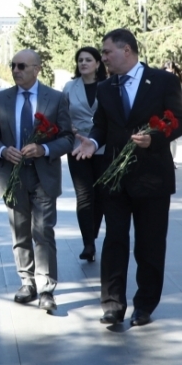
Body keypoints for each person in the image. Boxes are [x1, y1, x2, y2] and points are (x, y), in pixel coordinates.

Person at [73, 28, 182, 326]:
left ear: (127, 51)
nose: (103, 58)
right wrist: (93, 143)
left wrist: (157, 138)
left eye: (107, 52)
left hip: (152, 179)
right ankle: (112, 304)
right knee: (115, 240)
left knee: (149, 244)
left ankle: (145, 305)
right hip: (115, 178)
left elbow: (179, 119)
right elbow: (101, 125)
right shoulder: (107, 87)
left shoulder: (163, 81)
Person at [0, 49, 73, 313]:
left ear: (37, 68)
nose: (16, 70)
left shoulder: (56, 99)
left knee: (43, 231)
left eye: (22, 66)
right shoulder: (0, 99)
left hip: (43, 173)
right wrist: (2, 150)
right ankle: (27, 281)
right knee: (20, 231)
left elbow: (68, 138)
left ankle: (46, 288)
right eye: (13, 65)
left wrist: (43, 149)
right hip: (12, 176)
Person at [62, 47, 108, 262]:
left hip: (104, 147)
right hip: (78, 147)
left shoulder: (108, 86)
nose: (83, 63)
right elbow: (60, 114)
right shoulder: (70, 87)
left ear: (98, 64)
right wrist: (67, 127)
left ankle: (92, 233)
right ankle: (88, 243)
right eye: (80, 60)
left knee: (100, 194)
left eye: (88, 59)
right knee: (84, 195)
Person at [163, 60, 182, 166]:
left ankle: (172, 159)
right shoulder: (159, 82)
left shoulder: (177, 83)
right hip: (164, 114)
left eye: (172, 72)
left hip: (176, 113)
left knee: (174, 139)